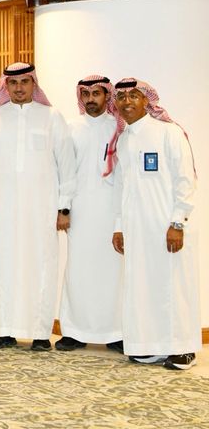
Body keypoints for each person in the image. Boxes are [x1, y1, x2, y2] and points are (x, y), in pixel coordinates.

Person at [0, 62, 77, 350]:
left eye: (24, 82)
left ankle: (40, 333)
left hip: (41, 210)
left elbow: (67, 166)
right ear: (5, 86)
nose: (18, 88)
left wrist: (64, 208)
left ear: (33, 84)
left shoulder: (52, 117)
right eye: (13, 83)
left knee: (42, 266)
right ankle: (2, 330)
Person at [111, 78, 198, 370]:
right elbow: (121, 187)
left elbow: (185, 180)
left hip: (167, 226)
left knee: (173, 285)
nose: (127, 102)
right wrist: (119, 226)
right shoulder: (124, 139)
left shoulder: (169, 133)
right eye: (121, 97)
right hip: (136, 228)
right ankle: (150, 346)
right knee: (142, 286)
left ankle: (183, 348)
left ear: (147, 100)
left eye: (134, 96)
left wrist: (178, 223)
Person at [56, 74, 125, 352]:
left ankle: (116, 332)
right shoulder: (71, 128)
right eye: (86, 94)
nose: (91, 99)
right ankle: (74, 331)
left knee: (113, 271)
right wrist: (64, 208)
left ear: (107, 96)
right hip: (80, 210)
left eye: (97, 93)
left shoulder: (119, 128)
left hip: (111, 210)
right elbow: (64, 172)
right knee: (78, 270)